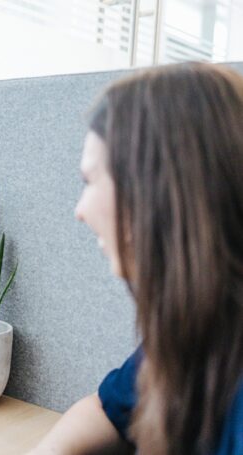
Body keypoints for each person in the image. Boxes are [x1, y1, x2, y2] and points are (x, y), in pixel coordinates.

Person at [29, 63, 243, 454]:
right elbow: (109, 408)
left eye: (90, 181)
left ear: (151, 191)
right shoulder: (195, 326)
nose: (80, 209)